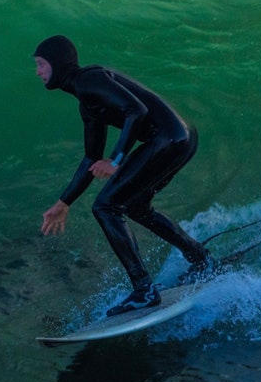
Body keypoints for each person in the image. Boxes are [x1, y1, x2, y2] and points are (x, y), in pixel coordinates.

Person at [33, 35, 214, 315]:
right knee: (136, 207)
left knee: (106, 206)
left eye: (41, 65)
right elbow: (91, 159)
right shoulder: (87, 102)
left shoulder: (88, 80)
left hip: (167, 138)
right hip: (179, 137)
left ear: (57, 64)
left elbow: (137, 111)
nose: (38, 72)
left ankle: (144, 290)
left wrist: (116, 159)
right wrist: (64, 202)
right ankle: (201, 258)